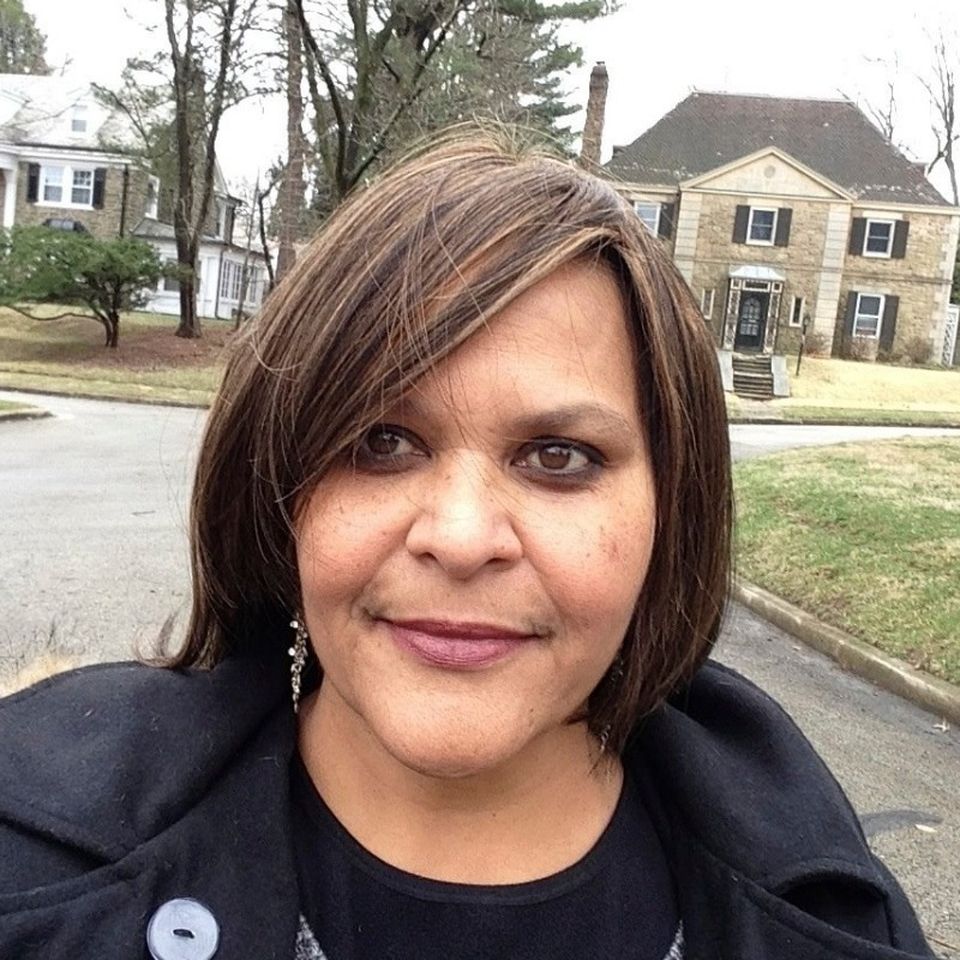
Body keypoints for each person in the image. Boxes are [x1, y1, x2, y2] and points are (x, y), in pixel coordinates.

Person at [0, 129, 932, 960]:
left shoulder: (832, 924)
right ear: (278, 491)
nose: (459, 538)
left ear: (670, 513)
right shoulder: (34, 867)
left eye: (559, 456)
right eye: (381, 442)